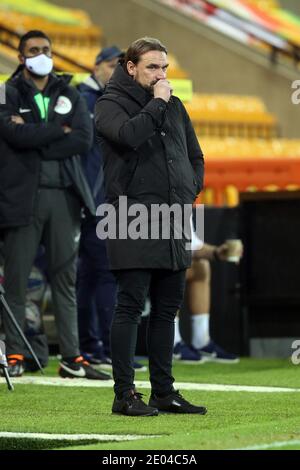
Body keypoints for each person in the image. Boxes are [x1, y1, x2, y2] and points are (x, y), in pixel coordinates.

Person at [95, 37, 207, 416]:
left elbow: (194, 154)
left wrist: (191, 188)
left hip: (174, 216)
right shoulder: (110, 104)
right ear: (131, 68)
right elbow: (129, 137)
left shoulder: (175, 106)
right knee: (130, 305)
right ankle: (124, 394)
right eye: (152, 67)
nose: (161, 75)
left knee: (166, 308)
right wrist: (158, 101)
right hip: (131, 216)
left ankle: (164, 391)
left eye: (164, 68)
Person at [0, 30, 110, 380]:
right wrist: (56, 131)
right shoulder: (6, 91)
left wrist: (34, 133)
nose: (41, 55)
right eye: (33, 50)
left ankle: (72, 358)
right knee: (17, 281)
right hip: (22, 198)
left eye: (46, 49)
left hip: (64, 195)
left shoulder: (70, 91)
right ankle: (16, 353)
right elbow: (11, 135)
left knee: (65, 279)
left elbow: (82, 139)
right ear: (21, 57)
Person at [174, 228, 242, 363]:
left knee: (200, 265)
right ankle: (170, 341)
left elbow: (191, 243)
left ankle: (201, 342)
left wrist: (216, 252)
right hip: (137, 255)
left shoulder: (184, 208)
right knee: (174, 263)